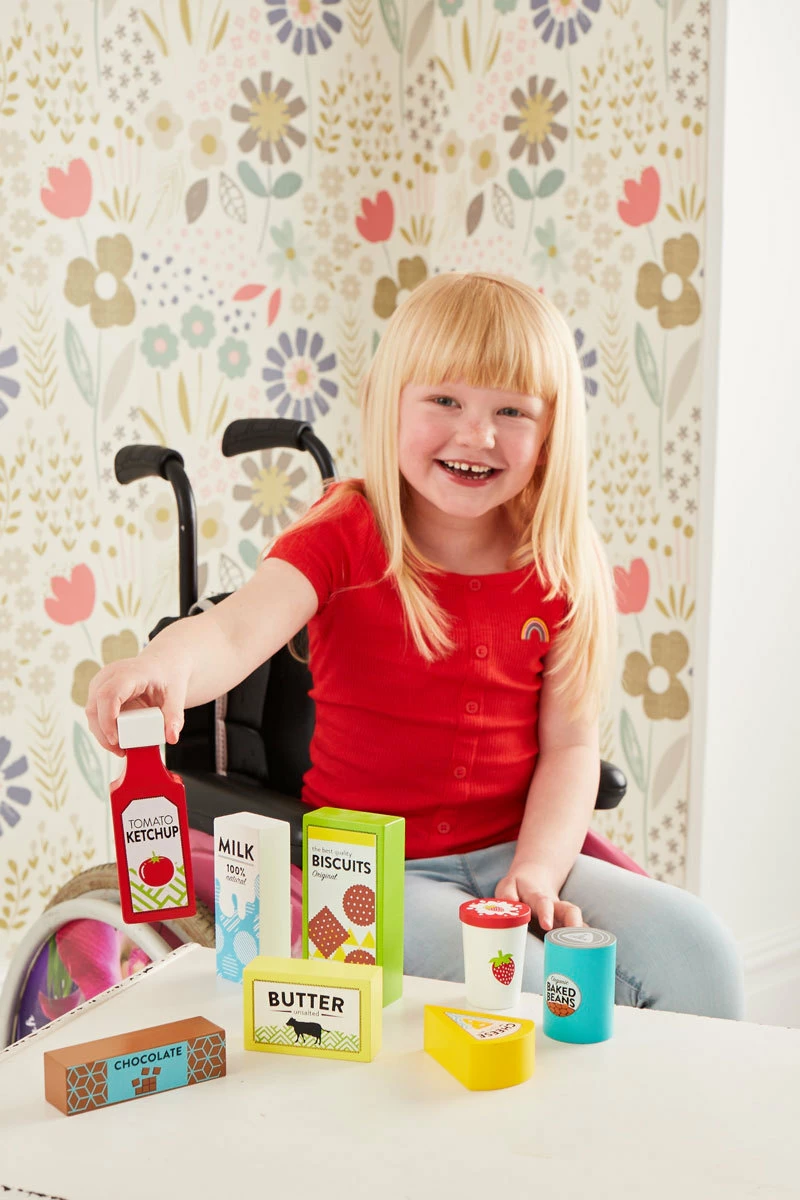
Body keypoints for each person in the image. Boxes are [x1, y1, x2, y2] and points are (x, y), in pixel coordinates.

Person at [86, 271, 745, 1019]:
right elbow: (235, 631)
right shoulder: (347, 531)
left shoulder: (556, 557)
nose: (478, 434)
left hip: (513, 850)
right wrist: (161, 666)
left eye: (511, 410)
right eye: (445, 401)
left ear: (551, 430)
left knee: (700, 948)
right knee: (520, 988)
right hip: (369, 869)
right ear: (391, 403)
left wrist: (536, 870)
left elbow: (570, 750)